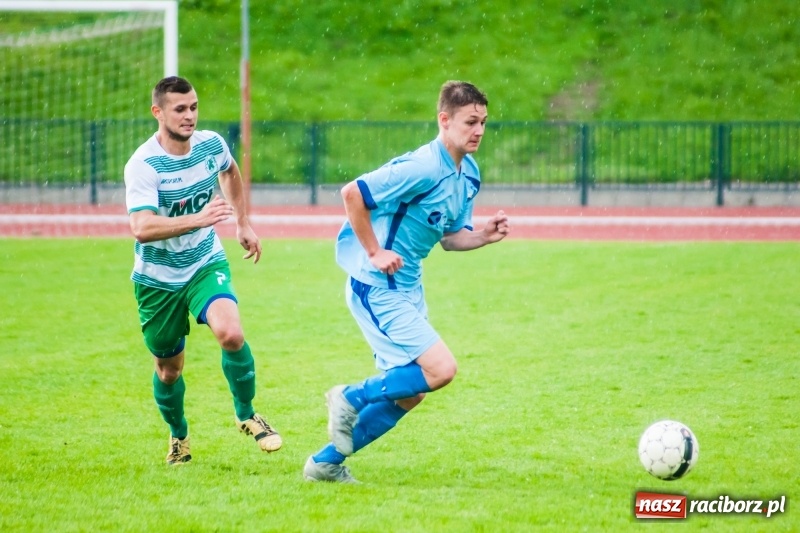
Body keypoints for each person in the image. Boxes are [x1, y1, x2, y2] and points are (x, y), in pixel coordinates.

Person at [303, 80, 510, 483]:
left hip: (408, 287)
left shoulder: (468, 174)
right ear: (444, 120)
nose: (479, 131)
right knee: (441, 369)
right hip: (375, 285)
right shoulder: (422, 167)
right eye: (471, 122)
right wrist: (375, 251)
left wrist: (482, 236)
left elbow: (450, 237)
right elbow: (352, 194)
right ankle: (349, 396)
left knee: (412, 391)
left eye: (484, 122)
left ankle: (324, 464)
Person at [124, 76, 281, 465]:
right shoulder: (143, 165)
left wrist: (243, 223)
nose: (189, 116)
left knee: (231, 333)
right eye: (180, 109)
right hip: (157, 281)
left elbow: (229, 172)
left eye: (193, 107)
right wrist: (198, 218)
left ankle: (247, 414)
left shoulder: (211, 144)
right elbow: (142, 227)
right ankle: (179, 436)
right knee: (168, 370)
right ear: (157, 112)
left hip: (203, 263)